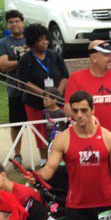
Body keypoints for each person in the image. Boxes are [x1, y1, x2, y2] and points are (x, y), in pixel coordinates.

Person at [37, 90, 111, 220]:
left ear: (93, 110)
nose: (79, 115)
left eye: (84, 110)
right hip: (76, 205)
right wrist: (35, 177)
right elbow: (50, 167)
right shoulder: (63, 139)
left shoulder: (109, 138)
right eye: (75, 111)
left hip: (105, 204)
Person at [65, 40, 111, 171]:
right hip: (93, 147)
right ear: (94, 58)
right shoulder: (76, 79)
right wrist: (87, 117)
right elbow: (67, 108)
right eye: (106, 55)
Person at [16, 24, 70, 157]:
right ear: (32, 42)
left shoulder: (54, 56)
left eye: (46, 39)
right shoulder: (26, 60)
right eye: (40, 40)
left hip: (57, 102)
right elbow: (24, 82)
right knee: (41, 132)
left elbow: (65, 76)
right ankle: (44, 159)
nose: (44, 42)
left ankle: (62, 158)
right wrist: (45, 95)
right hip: (35, 104)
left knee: (61, 129)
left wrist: (56, 94)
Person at [0, 10, 28, 159]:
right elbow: (3, 65)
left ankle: (45, 154)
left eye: (17, 21)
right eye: (10, 22)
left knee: (41, 124)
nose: (14, 24)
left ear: (23, 22)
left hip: (34, 90)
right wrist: (22, 61)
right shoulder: (4, 43)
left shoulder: (32, 38)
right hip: (15, 90)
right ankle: (17, 155)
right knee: (16, 125)